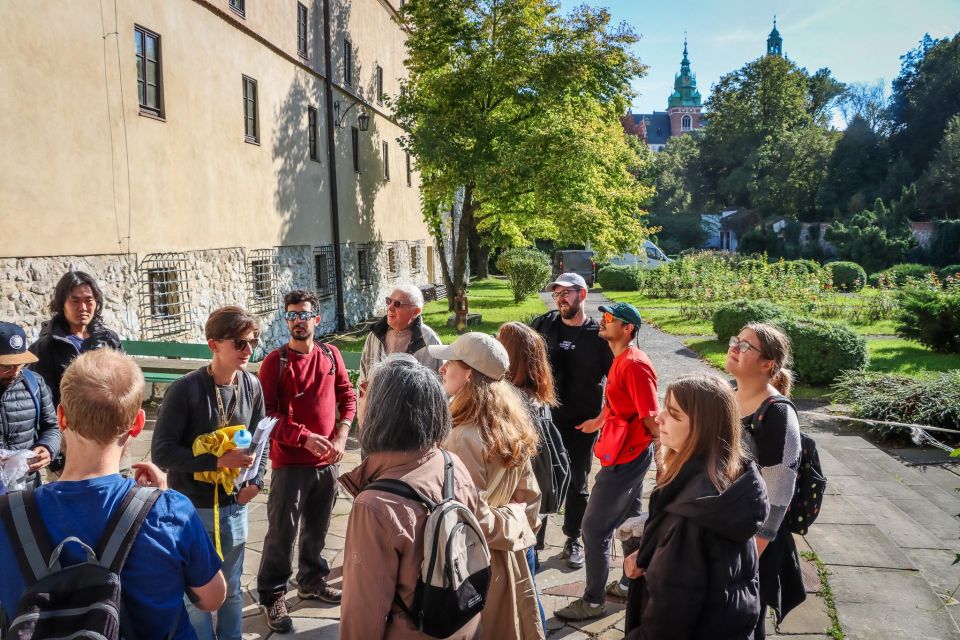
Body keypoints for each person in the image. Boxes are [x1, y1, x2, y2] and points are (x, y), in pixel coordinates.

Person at [0, 349, 226, 639]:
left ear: (61, 417)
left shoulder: (8, 517)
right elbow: (212, 598)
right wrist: (160, 500)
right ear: (138, 424)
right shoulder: (171, 512)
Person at [339, 354, 482, 639]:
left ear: (385, 412)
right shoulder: (451, 463)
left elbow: (363, 613)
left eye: (367, 392)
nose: (361, 397)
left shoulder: (375, 506)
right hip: (461, 624)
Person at [622, 374, 769, 639]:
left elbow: (666, 626)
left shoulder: (692, 514)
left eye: (674, 414)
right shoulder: (732, 481)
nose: (658, 418)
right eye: (664, 407)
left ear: (703, 427)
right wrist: (648, 556)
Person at [151, 306, 267, 640]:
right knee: (197, 594)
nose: (248, 350)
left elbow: (262, 441)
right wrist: (218, 462)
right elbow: (162, 453)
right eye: (240, 343)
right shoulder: (186, 390)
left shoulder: (253, 386)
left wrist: (256, 481)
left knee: (231, 589)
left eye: (252, 343)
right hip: (192, 507)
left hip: (235, 504)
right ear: (213, 344)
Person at [428, 332, 545, 640]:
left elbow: (470, 520)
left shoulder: (463, 437)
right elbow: (530, 502)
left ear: (468, 374)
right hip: (509, 557)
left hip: (478, 568)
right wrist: (516, 521)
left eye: (449, 362)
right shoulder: (510, 424)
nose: (441, 369)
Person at [255, 290, 357, 632]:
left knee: (319, 526)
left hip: (328, 460)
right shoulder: (275, 362)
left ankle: (312, 579)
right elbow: (266, 415)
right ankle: (272, 594)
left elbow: (347, 395)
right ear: (287, 321)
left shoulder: (330, 354)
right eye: (292, 316)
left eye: (304, 315)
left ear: (317, 319)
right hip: (291, 464)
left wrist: (342, 436)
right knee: (281, 532)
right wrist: (304, 437)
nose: (298, 321)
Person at [555, 302, 658, 622]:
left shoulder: (635, 365)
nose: (603, 320)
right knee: (630, 517)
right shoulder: (620, 359)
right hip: (622, 450)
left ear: (628, 329)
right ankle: (630, 583)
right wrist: (598, 422)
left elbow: (651, 417)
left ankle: (593, 601)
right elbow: (616, 403)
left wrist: (667, 455)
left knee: (593, 528)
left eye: (611, 318)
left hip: (629, 456)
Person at [726, 323, 806, 638]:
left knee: (745, 620)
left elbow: (779, 494)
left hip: (754, 541)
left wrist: (751, 553)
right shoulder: (727, 396)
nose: (734, 347)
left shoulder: (777, 415)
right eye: (736, 340)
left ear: (767, 364)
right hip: (725, 525)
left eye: (746, 346)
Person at [531, 272, 613, 568]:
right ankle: (534, 542)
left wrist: (600, 420)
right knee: (539, 480)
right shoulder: (544, 325)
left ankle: (572, 538)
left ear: (583, 295)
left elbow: (616, 384)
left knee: (578, 483)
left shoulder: (599, 336)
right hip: (544, 420)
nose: (560, 298)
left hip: (582, 423)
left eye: (567, 292)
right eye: (557, 293)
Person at [28, 270, 123, 471]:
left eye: (89, 300)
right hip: (69, 443)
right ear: (62, 304)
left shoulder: (108, 340)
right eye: (75, 301)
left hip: (109, 438)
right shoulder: (47, 347)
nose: (83, 307)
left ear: (97, 302)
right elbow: (42, 401)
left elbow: (125, 385)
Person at [496, 321, 556, 625]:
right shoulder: (536, 393)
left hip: (524, 499)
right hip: (539, 493)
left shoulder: (514, 400)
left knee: (526, 584)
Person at [357, 284, 442, 425]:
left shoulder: (429, 340)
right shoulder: (375, 335)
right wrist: (362, 414)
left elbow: (438, 388)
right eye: (388, 301)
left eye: (397, 304)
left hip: (411, 422)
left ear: (416, 312)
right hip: (375, 418)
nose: (390, 308)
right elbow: (364, 377)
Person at [0, 322, 60, 488]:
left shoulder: (35, 383)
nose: (14, 371)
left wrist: (47, 448)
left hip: (26, 487)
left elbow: (52, 427)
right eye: (6, 366)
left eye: (19, 364)